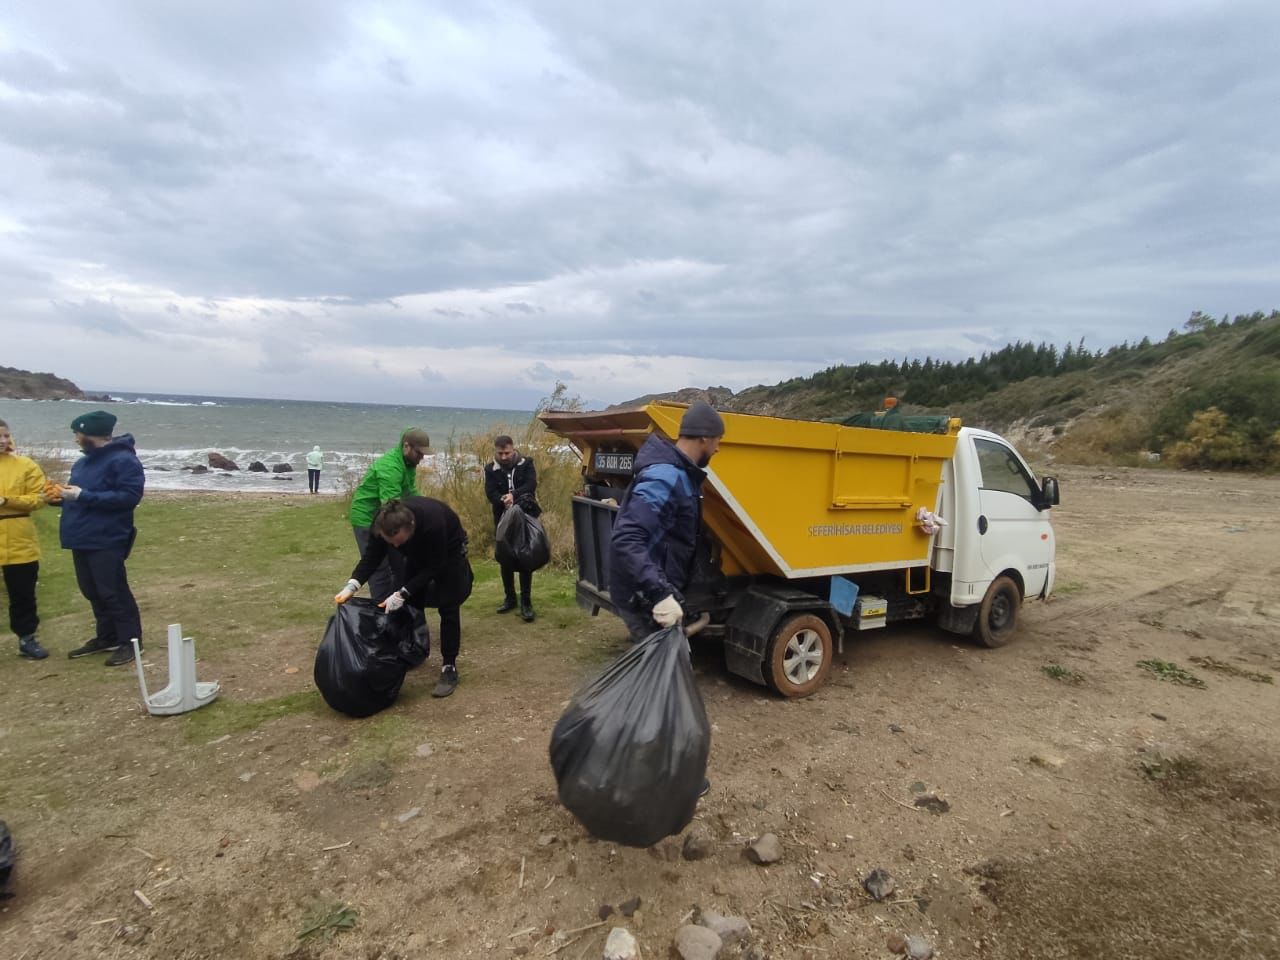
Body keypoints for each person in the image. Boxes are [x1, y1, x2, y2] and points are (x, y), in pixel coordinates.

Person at [609, 401, 725, 643]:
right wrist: (660, 594)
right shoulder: (665, 477)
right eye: (717, 440)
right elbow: (627, 538)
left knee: (663, 668)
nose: (717, 449)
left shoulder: (678, 474)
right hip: (643, 597)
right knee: (657, 674)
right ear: (704, 438)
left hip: (647, 591)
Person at [335, 497, 473, 698]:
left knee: (448, 605)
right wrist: (352, 585)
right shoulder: (382, 524)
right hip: (416, 554)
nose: (394, 547)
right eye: (390, 543)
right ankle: (411, 650)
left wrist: (402, 592)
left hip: (448, 555)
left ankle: (449, 666)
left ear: (411, 527)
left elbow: (434, 566)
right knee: (410, 603)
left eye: (397, 542)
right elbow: (372, 556)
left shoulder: (434, 523)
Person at [52, 410, 146, 667]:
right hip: (81, 535)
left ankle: (131, 642)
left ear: (90, 434)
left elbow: (129, 497)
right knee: (91, 590)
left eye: (77, 433)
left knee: (112, 591)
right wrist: (58, 498)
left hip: (107, 537)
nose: (75, 439)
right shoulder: (83, 462)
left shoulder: (123, 460)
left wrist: (82, 496)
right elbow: (80, 496)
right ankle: (107, 637)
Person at [348, 428, 431, 610]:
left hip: (387, 516)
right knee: (379, 568)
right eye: (419, 453)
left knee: (399, 565)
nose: (421, 458)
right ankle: (383, 615)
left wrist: (428, 507)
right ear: (406, 446)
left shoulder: (408, 464)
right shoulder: (391, 468)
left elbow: (410, 492)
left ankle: (397, 607)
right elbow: (392, 505)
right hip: (367, 517)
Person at [0, 419, 49, 660]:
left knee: (22, 593)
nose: (3, 441)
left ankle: (27, 638)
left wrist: (6, 501)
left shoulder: (25, 465)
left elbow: (39, 498)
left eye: (6, 436)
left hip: (19, 536)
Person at [483, 434, 540, 622]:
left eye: (507, 453)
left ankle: (526, 601)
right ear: (496, 452)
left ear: (513, 449)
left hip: (525, 517)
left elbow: (531, 485)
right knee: (504, 558)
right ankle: (510, 598)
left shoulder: (526, 463)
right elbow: (490, 492)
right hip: (501, 518)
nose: (504, 457)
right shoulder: (490, 469)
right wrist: (502, 499)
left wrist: (513, 496)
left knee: (525, 557)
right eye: (500, 453)